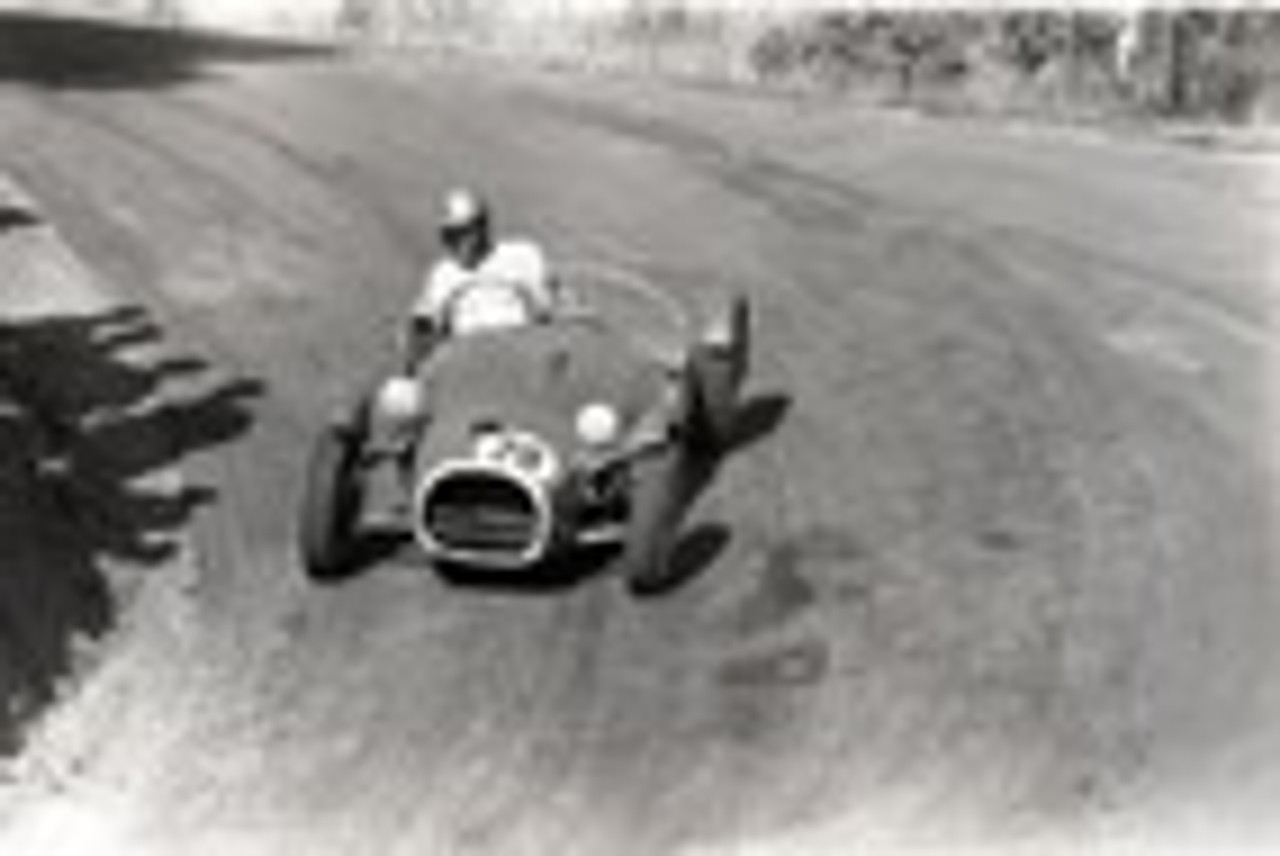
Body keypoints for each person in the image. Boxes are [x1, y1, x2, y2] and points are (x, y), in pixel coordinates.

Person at [403, 189, 556, 371]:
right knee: (394, 394)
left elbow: (552, 309)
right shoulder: (442, 274)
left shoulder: (523, 255)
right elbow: (424, 324)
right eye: (450, 235)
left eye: (465, 233)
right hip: (467, 370)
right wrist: (419, 338)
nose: (458, 242)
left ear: (483, 227)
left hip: (523, 364)